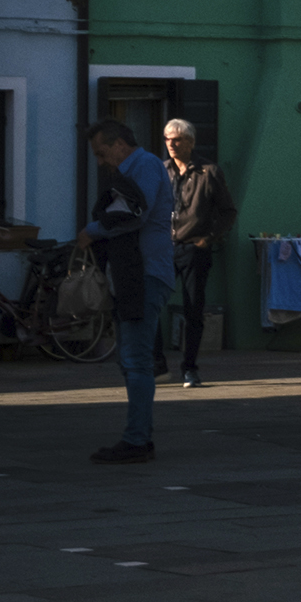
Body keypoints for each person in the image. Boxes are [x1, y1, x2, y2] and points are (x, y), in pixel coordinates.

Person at [77, 121, 175, 465]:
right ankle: (138, 437)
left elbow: (135, 214)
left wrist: (92, 230)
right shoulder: (138, 168)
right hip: (138, 275)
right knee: (133, 359)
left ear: (120, 144)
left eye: (102, 153)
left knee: (135, 359)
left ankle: (137, 440)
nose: (101, 162)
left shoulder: (145, 165)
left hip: (144, 274)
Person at [163, 116, 236, 388]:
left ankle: (189, 368)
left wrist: (208, 238)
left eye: (177, 139)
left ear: (190, 142)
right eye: (167, 139)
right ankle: (156, 364)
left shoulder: (208, 172)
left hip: (194, 248)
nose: (171, 144)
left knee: (193, 309)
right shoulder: (162, 171)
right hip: (164, 248)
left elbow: (228, 212)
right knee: (149, 302)